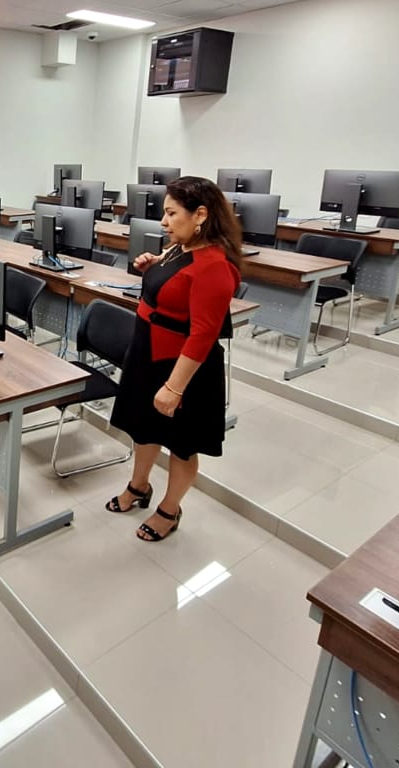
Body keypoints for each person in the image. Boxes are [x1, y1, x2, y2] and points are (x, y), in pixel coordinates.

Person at [105, 176, 242, 543]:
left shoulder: (215, 266)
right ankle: (138, 486)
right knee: (144, 428)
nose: (163, 222)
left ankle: (170, 508)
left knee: (182, 444)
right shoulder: (181, 247)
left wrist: (174, 387)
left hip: (182, 368)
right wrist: (153, 267)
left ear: (200, 215)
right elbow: (177, 282)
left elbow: (203, 335)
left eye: (171, 213)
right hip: (149, 353)